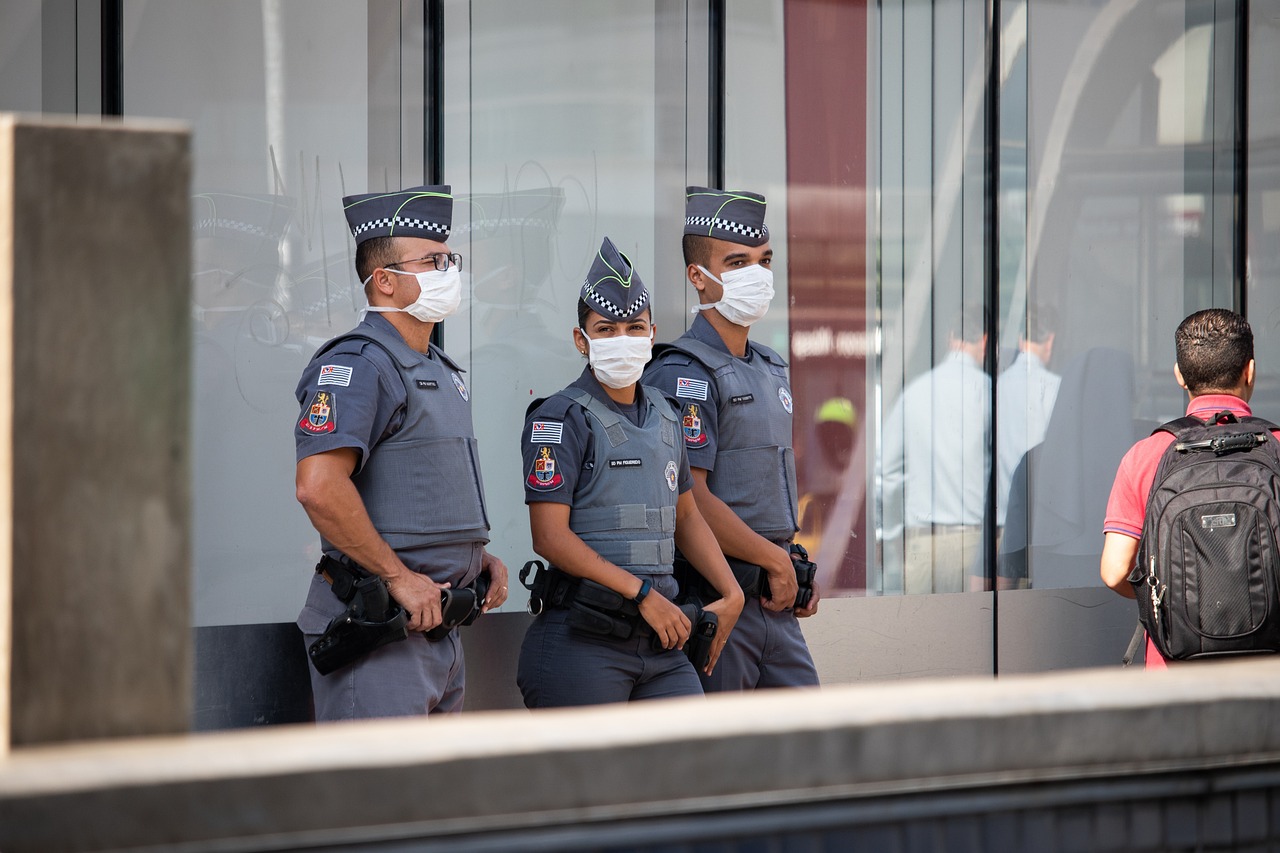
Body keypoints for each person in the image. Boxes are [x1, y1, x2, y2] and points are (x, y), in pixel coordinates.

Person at [293, 185, 509, 720]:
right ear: (385, 281)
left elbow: (418, 487)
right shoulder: (359, 365)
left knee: (433, 803)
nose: (448, 271)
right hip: (382, 630)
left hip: (441, 628)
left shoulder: (437, 368)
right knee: (379, 801)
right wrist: (397, 577)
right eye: (433, 261)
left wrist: (473, 556)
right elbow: (318, 487)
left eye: (449, 259)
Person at [516, 237, 743, 707]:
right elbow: (549, 538)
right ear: (581, 340)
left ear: (652, 333)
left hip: (663, 643)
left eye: (634, 328)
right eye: (606, 330)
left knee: (689, 769)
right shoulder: (558, 418)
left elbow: (686, 517)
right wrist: (642, 595)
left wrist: (731, 591)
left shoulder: (666, 413)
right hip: (586, 638)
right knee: (593, 781)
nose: (622, 341)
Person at [643, 187, 820, 692]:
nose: (757, 275)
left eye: (764, 261)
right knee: (729, 761)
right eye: (737, 262)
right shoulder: (684, 371)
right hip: (719, 595)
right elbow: (691, 497)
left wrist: (792, 564)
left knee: (810, 756)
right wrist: (773, 560)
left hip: (775, 593)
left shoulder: (770, 366)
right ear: (698, 276)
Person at [1101, 308, 1273, 668]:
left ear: (1180, 376)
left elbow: (1115, 571)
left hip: (1176, 676)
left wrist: (1174, 603)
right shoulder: (1276, 446)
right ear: (1250, 370)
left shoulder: (1146, 456)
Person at [880, 303, 991, 594]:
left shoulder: (915, 392)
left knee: (918, 635)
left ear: (950, 337)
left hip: (921, 542)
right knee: (972, 634)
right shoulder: (989, 393)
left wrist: (892, 535)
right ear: (985, 340)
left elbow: (886, 472)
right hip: (974, 541)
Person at [996, 307, 1060, 526]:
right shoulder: (1054, 387)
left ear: (1020, 340)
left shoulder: (996, 386)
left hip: (1000, 514)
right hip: (1038, 515)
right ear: (1050, 341)